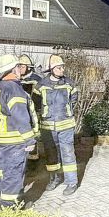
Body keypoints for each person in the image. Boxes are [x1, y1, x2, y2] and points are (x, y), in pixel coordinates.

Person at [0, 53, 37, 208]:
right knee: (14, 173)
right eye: (18, 66)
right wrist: (30, 139)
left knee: (5, 169)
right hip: (15, 139)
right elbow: (21, 117)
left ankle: (4, 194)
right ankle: (9, 206)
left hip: (2, 137)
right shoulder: (14, 89)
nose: (20, 69)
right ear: (12, 69)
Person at [35, 54, 80, 195]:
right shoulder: (41, 85)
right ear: (51, 69)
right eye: (58, 68)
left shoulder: (69, 83)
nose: (62, 70)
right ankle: (54, 179)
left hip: (66, 125)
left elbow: (74, 100)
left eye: (62, 67)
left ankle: (71, 182)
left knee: (68, 153)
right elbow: (35, 104)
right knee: (51, 155)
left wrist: (66, 112)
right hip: (48, 127)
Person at [17, 53, 42, 160]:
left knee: (32, 135)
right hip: (18, 112)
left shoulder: (36, 80)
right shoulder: (16, 78)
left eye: (22, 66)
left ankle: (32, 157)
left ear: (28, 68)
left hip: (32, 112)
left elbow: (39, 98)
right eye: (18, 66)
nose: (19, 69)